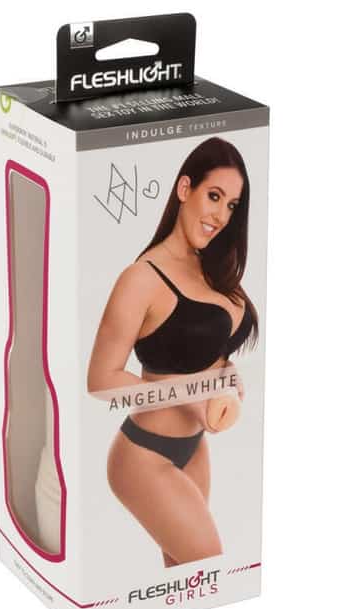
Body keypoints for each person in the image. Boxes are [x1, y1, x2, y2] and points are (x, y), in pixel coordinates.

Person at [87, 136, 258, 567]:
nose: (221, 215)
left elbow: (201, 351)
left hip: (194, 446)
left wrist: (226, 374)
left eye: (232, 205)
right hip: (143, 456)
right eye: (213, 196)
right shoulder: (141, 278)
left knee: (183, 577)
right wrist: (190, 393)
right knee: (208, 566)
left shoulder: (209, 268)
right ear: (185, 188)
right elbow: (101, 379)